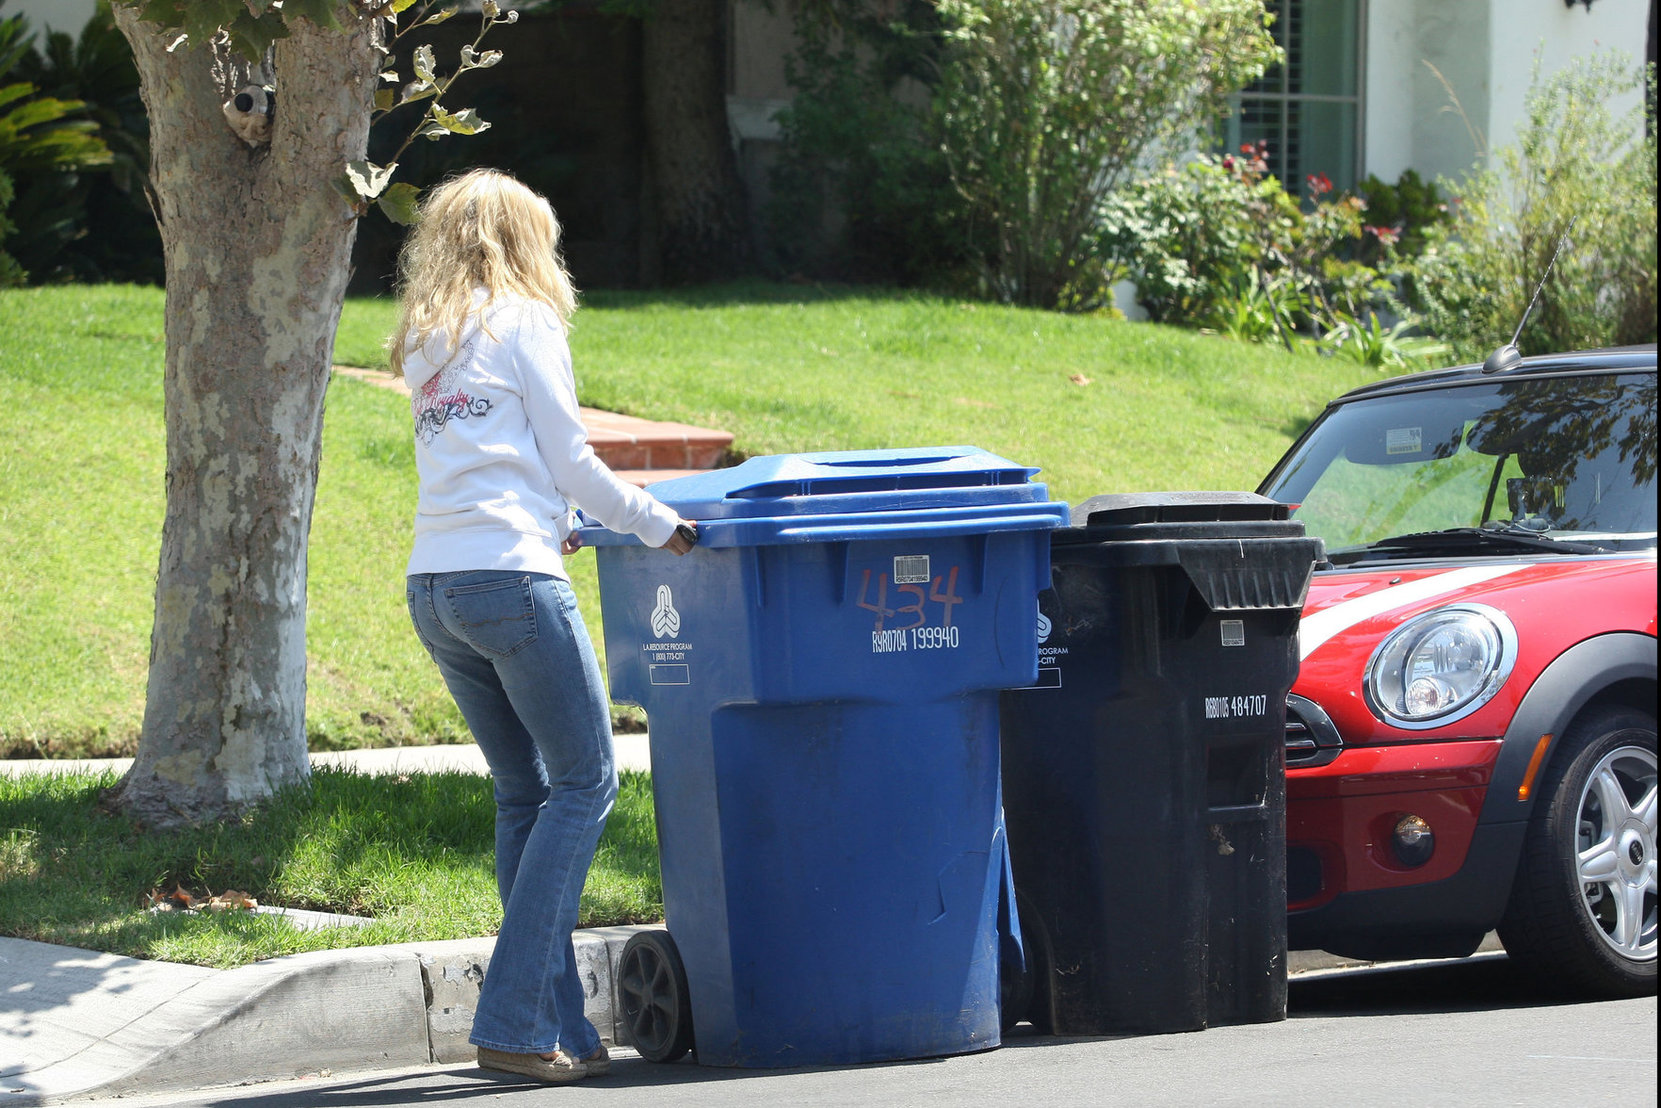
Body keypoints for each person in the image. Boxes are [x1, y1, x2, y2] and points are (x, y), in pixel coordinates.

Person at [391, 168, 695, 1084]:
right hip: (512, 583)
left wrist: (552, 517)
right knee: (585, 783)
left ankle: (561, 1026)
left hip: (435, 587)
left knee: (524, 796)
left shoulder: (423, 338)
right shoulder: (525, 320)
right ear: (529, 240)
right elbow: (569, 456)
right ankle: (515, 1023)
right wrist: (660, 525)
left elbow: (486, 457)